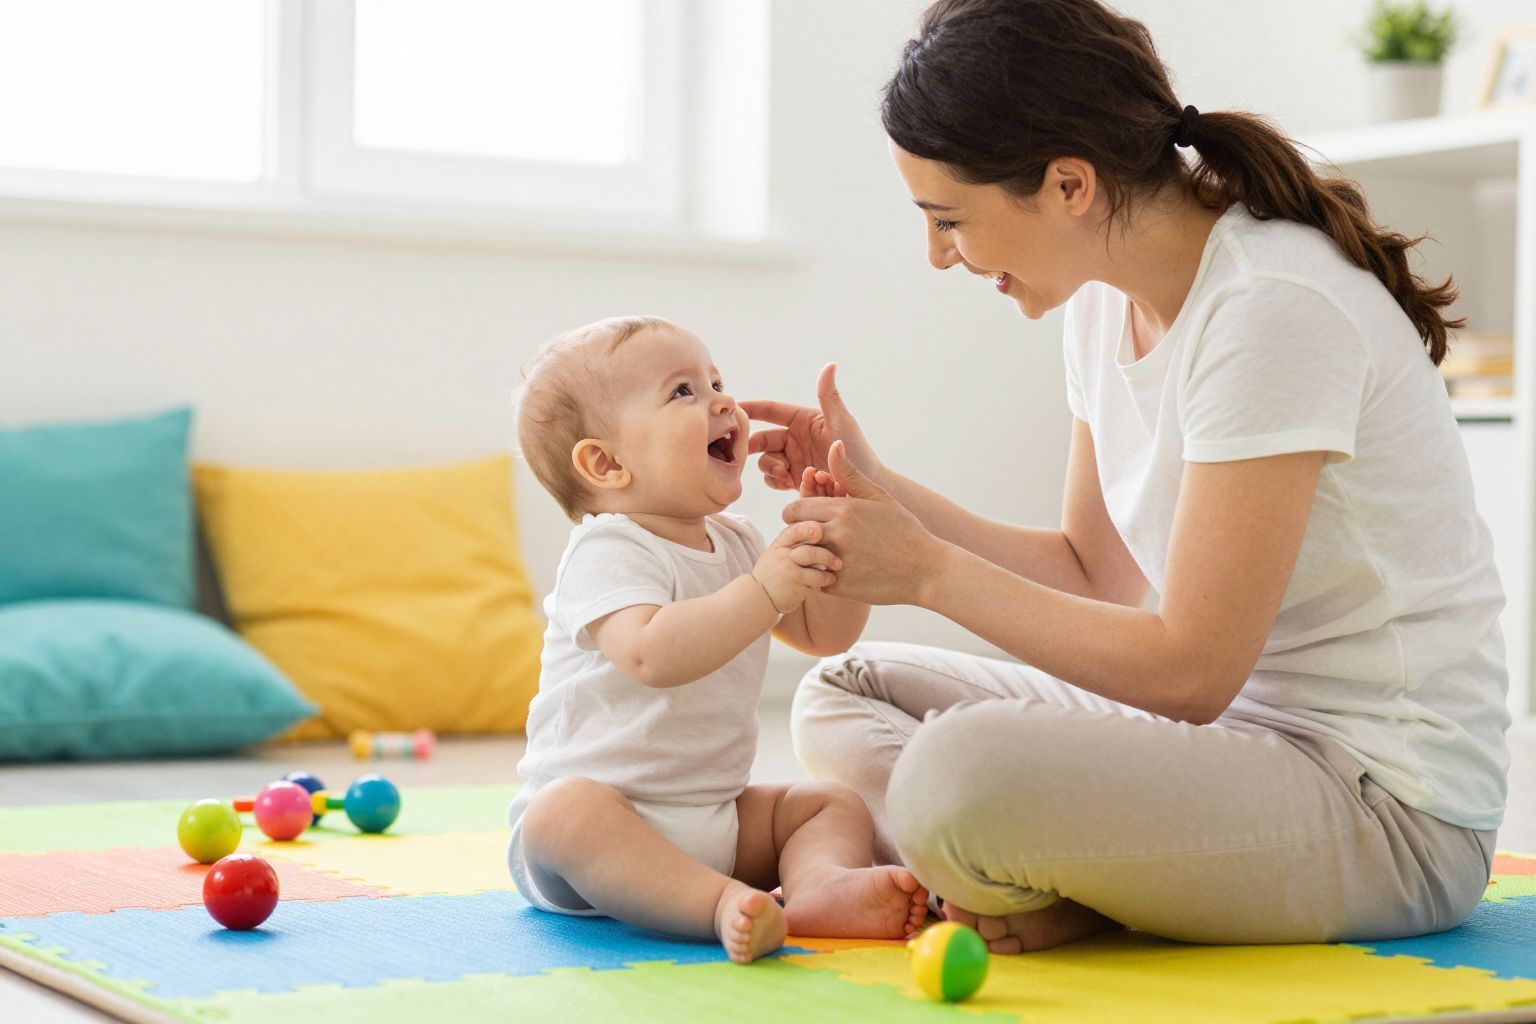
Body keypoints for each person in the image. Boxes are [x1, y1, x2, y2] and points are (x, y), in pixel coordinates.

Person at [745, 0, 1509, 954]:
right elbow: (1088, 570)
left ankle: (1052, 878)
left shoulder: (1270, 309)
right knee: (846, 692)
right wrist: (881, 489)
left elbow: (1188, 671)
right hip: (1231, 750)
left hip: (1386, 807)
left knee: (955, 776)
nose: (938, 254)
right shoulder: (1103, 308)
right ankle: (1060, 881)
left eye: (948, 219)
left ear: (1070, 183)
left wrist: (929, 574)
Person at [507, 315, 928, 965]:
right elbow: (651, 653)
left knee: (825, 802)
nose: (721, 402)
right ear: (606, 463)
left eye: (715, 381)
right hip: (597, 837)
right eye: (683, 392)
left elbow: (825, 635)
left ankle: (817, 889)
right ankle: (716, 905)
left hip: (716, 818)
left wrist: (847, 541)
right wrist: (766, 589)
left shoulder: (735, 542)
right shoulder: (608, 548)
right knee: (562, 813)